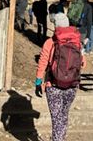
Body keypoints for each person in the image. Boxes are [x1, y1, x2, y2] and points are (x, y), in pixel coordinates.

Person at [35, 12, 84, 141]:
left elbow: (42, 63)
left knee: (56, 119)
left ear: (55, 26)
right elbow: (82, 63)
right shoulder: (77, 42)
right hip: (72, 86)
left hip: (53, 85)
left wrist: (38, 82)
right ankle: (60, 138)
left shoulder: (49, 43)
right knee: (63, 116)